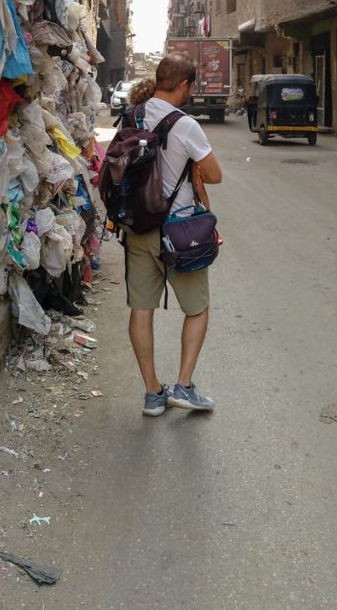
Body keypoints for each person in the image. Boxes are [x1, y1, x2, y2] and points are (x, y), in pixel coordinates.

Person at [123, 54, 223, 416]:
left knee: (141, 309)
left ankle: (153, 393)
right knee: (197, 308)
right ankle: (183, 385)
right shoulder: (185, 124)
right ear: (184, 85)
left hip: (138, 227)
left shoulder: (132, 115)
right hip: (180, 232)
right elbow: (214, 175)